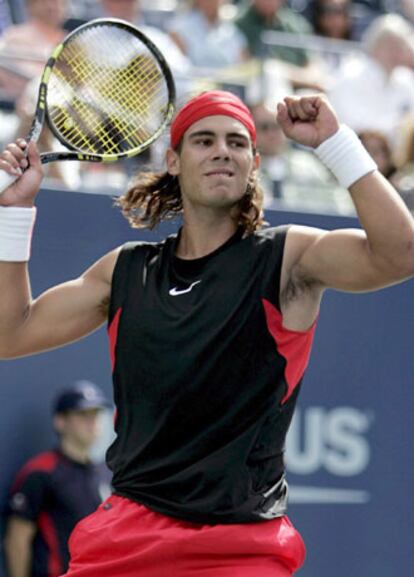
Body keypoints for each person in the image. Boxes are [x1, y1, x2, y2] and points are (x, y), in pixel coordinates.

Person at [0, 89, 414, 577]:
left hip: (241, 550)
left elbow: (400, 253)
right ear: (173, 160)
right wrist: (14, 210)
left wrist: (334, 143)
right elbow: (10, 333)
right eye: (204, 140)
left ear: (254, 162)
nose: (222, 150)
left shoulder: (289, 258)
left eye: (237, 142)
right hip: (124, 542)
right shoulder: (125, 271)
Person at [3, 381, 112, 577]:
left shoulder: (106, 472)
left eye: (95, 414)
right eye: (82, 415)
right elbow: (17, 539)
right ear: (60, 421)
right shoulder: (41, 471)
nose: (92, 422)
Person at [328, 13, 414, 144]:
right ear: (376, 46)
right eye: (390, 46)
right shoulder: (350, 74)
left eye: (400, 46)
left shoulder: (405, 78)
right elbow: (351, 124)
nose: (396, 52)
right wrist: (395, 127)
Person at [0, 0, 68, 101]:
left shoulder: (73, 40)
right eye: (45, 1)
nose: (52, 6)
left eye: (57, 2)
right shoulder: (15, 37)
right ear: (30, 5)